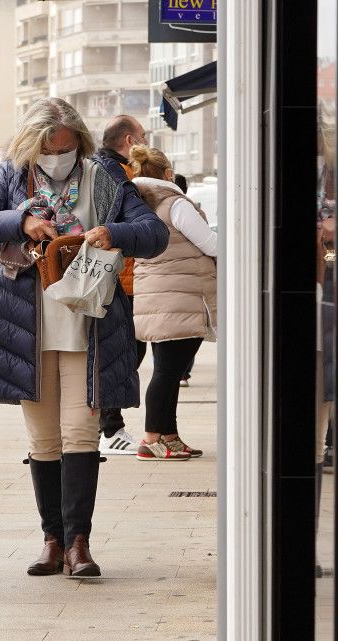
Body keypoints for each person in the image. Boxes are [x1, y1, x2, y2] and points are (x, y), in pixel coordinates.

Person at [0, 98, 168, 578]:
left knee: (80, 433)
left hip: (88, 325)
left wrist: (114, 232)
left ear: (81, 143)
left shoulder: (105, 176)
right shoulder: (11, 176)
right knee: (44, 438)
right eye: (51, 149)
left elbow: (153, 232)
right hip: (27, 328)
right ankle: (52, 539)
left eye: (68, 148)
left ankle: (79, 543)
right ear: (32, 144)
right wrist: (20, 221)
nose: (59, 157)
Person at [127, 145, 217, 460]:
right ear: (168, 174)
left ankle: (169, 435)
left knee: (168, 367)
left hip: (156, 295)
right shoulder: (175, 204)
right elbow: (210, 243)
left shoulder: (138, 205)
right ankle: (152, 438)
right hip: (178, 296)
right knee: (167, 370)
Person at [92, 114, 149, 455]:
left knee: (121, 352)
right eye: (142, 135)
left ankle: (106, 423)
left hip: (115, 276)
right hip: (120, 278)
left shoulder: (99, 168)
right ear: (129, 141)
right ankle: (110, 428)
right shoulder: (120, 173)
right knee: (120, 353)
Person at [173, 173, 196, 387]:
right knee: (186, 335)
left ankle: (181, 373)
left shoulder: (150, 206)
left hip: (162, 290)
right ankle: (183, 372)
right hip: (183, 286)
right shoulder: (180, 207)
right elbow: (211, 244)